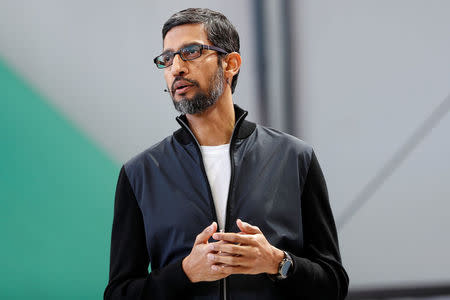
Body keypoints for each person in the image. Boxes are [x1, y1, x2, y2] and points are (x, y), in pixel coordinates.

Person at [104, 7, 349, 300]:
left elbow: (333, 285)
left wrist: (277, 263)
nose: (176, 68)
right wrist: (185, 273)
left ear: (230, 63)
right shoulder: (140, 174)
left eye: (191, 52)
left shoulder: (295, 158)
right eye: (167, 58)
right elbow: (118, 294)